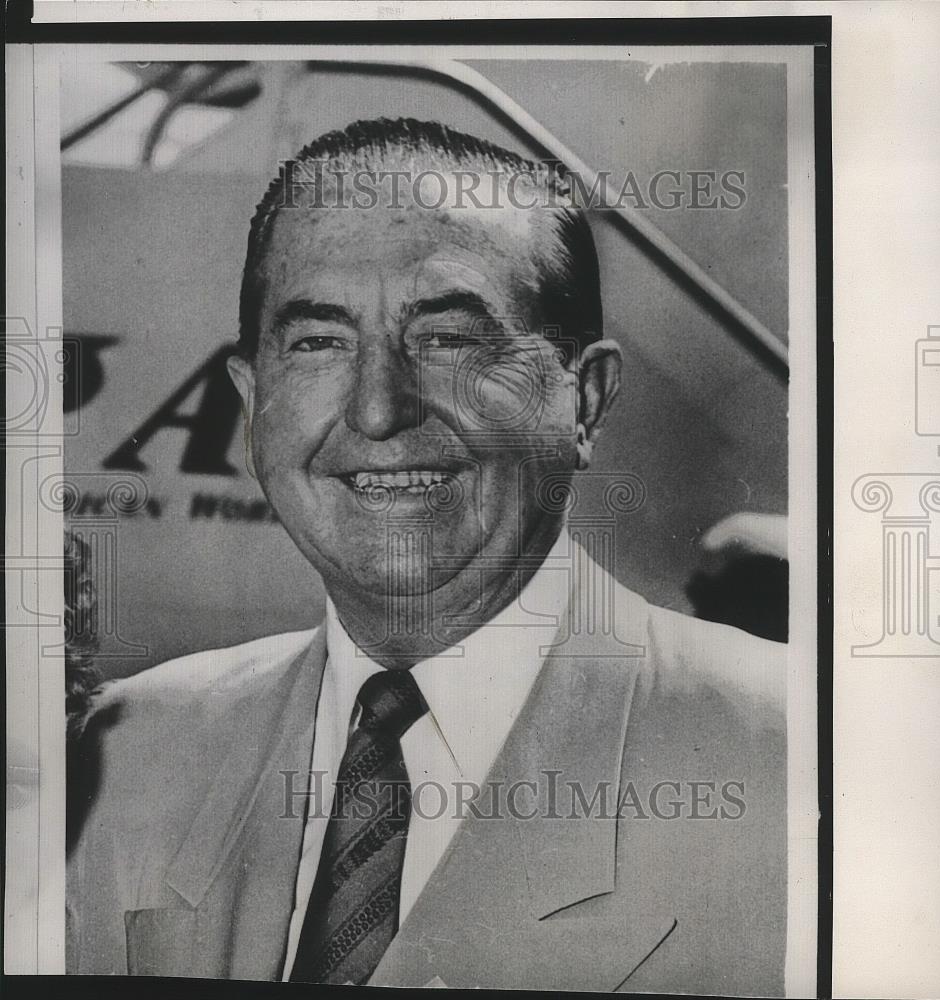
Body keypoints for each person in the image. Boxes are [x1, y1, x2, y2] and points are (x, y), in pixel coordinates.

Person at [67, 118, 786, 994]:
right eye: (320, 341)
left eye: (449, 339)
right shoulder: (122, 756)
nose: (377, 411)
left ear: (585, 401)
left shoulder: (799, 765)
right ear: (252, 404)